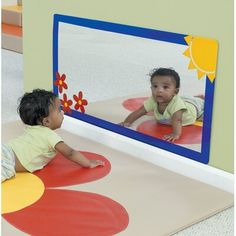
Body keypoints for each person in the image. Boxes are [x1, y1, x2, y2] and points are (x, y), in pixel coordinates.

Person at [1, 89, 104, 182]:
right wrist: (88, 163)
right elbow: (70, 153)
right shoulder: (50, 136)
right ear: (46, 121)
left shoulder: (31, 129)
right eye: (59, 110)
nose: (62, 112)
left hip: (5, 150)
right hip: (8, 160)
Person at [120, 68, 204, 142]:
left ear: (175, 91)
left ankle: (200, 99)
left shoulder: (177, 105)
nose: (159, 90)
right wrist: (127, 122)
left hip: (194, 109)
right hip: (182, 99)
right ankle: (194, 98)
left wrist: (175, 134)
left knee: (208, 113)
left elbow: (177, 120)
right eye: (155, 86)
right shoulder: (153, 100)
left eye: (165, 87)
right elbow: (140, 111)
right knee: (185, 98)